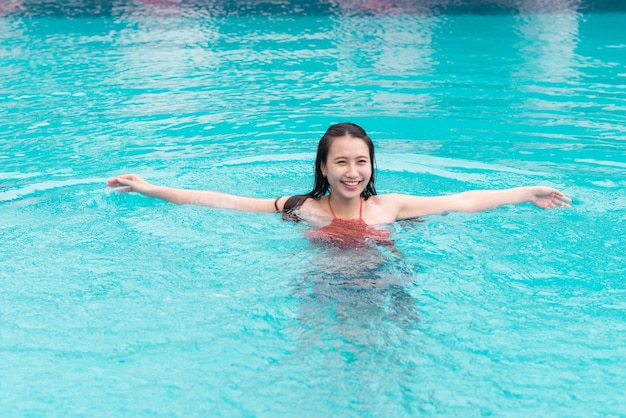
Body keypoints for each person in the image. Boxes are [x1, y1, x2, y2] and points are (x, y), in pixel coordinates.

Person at [106, 122, 571, 246]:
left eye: (361, 162)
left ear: (372, 166)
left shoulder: (389, 208)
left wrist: (525, 192)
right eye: (342, 162)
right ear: (323, 168)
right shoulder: (298, 208)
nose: (353, 172)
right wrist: (151, 188)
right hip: (324, 282)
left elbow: (462, 201)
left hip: (386, 280)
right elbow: (220, 201)